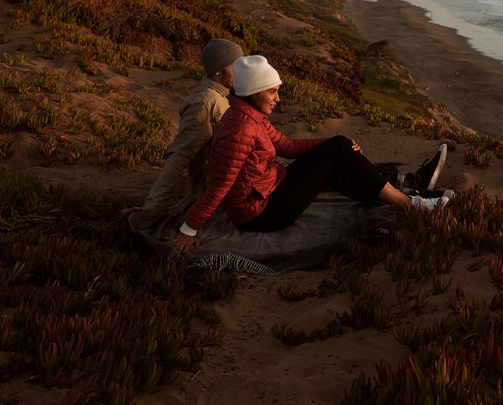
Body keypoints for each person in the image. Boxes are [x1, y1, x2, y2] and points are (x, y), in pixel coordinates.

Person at [175, 55, 451, 251]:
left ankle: (405, 190)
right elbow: (219, 187)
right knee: (337, 153)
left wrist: (334, 141)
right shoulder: (240, 131)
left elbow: (287, 147)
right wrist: (189, 228)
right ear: (254, 92)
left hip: (271, 190)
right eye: (272, 92)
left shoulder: (250, 117)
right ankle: (408, 203)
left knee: (337, 150)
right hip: (263, 214)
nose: (277, 99)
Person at [129, 39, 244, 230]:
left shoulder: (225, 97)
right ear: (218, 71)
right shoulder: (205, 102)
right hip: (218, 194)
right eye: (235, 66)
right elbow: (180, 156)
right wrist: (153, 209)